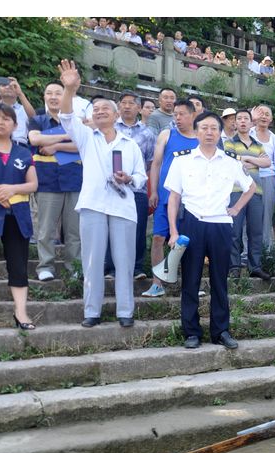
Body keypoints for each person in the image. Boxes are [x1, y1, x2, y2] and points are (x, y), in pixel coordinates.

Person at [57, 59, 147, 328]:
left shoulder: (130, 144)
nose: (99, 112)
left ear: (117, 115)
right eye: (95, 109)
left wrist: (128, 178)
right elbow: (65, 118)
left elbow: (141, 178)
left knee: (124, 260)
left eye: (105, 108)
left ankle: (125, 311)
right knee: (93, 260)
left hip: (123, 207)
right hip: (93, 204)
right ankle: (92, 311)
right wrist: (69, 90)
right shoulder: (85, 137)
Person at [165, 111, 254, 349]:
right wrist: (173, 231)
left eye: (214, 128)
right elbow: (174, 198)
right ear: (195, 132)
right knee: (190, 280)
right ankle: (191, 332)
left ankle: (221, 331)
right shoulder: (181, 160)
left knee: (219, 281)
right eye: (204, 128)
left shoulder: (231, 161)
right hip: (192, 223)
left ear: (220, 132)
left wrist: (235, 209)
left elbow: (250, 187)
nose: (209, 132)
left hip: (220, 226)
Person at [0, 103, 38, 330]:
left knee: (18, 265)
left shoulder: (23, 152)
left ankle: (21, 313)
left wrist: (12, 189)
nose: (0, 122)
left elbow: (33, 184)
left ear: (15, 125)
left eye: (6, 118)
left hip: (17, 215)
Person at [27, 81, 83, 282]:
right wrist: (67, 138)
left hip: (75, 179)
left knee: (74, 230)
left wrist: (54, 144)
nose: (53, 97)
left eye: (58, 93)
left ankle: (74, 266)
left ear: (66, 97)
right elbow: (35, 140)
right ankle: (45, 266)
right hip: (47, 179)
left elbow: (82, 144)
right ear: (44, 97)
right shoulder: (37, 120)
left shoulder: (74, 120)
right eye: (49, 93)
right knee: (45, 228)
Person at [143, 99, 198, 298]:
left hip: (190, 200)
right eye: (176, 114)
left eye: (182, 114)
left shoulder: (200, 139)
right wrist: (154, 191)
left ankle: (190, 284)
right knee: (158, 238)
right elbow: (156, 164)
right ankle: (157, 283)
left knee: (188, 242)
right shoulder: (167, 134)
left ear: (193, 115)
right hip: (165, 197)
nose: (178, 118)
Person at [108, 91, 156, 280]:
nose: (127, 106)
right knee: (111, 227)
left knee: (138, 229)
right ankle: (111, 268)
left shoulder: (148, 133)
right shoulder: (110, 129)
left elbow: (151, 164)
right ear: (119, 106)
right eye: (124, 103)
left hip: (137, 189)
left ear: (139, 108)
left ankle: (137, 268)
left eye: (131, 103)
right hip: (111, 188)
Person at [224, 108, 272, 280]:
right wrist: (252, 162)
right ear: (235, 123)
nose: (243, 121)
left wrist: (247, 159)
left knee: (256, 231)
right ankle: (234, 266)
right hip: (236, 191)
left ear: (252, 123)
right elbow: (231, 162)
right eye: (239, 118)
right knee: (235, 230)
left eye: (246, 118)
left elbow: (267, 162)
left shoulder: (258, 145)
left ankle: (255, 266)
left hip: (256, 192)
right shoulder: (229, 143)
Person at [249, 105, 275, 249]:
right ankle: (246, 249)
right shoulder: (248, 132)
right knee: (248, 213)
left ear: (271, 119)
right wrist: (251, 120)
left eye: (267, 114)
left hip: (269, 177)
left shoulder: (274, 139)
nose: (263, 116)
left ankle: (265, 248)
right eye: (260, 113)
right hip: (250, 176)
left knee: (266, 214)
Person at [0, 76, 35, 146]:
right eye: (4, 85)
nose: (7, 87)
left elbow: (34, 119)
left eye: (12, 86)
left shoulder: (24, 108)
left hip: (19, 145)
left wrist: (20, 94)